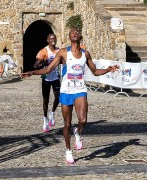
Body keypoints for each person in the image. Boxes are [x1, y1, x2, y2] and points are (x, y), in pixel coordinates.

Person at [21, 28, 119, 164]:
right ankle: (68, 150)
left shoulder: (86, 54)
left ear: (81, 37)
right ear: (69, 36)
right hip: (66, 90)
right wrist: (32, 72)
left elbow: (95, 71)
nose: (75, 33)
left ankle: (78, 132)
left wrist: (108, 69)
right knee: (66, 124)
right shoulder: (63, 52)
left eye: (78, 32)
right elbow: (49, 69)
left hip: (80, 89)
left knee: (83, 120)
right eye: (73, 32)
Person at [34, 33, 61, 133]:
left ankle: (52, 113)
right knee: (46, 100)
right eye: (51, 39)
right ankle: (45, 120)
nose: (53, 40)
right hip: (46, 79)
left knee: (58, 97)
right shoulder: (44, 51)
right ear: (47, 40)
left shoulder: (59, 51)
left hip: (55, 78)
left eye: (54, 38)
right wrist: (43, 63)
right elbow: (35, 66)